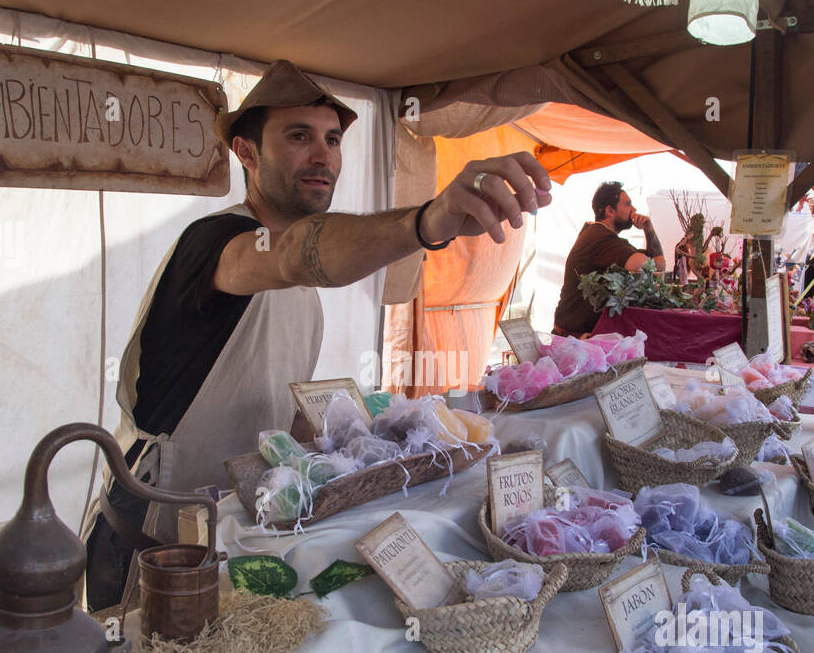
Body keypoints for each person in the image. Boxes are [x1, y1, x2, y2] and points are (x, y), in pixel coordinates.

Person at [80, 59, 554, 609]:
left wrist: (361, 446)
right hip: (156, 537)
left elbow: (279, 414)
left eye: (332, 140)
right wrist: (429, 221)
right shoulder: (218, 244)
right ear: (247, 152)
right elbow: (292, 256)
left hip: (237, 530)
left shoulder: (305, 285)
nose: (322, 155)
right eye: (299, 136)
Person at [553, 181, 663, 336]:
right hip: (573, 338)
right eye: (627, 205)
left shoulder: (600, 235)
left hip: (575, 335)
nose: (634, 210)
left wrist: (648, 228)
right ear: (610, 210)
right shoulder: (600, 239)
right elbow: (654, 266)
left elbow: (658, 263)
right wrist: (648, 229)